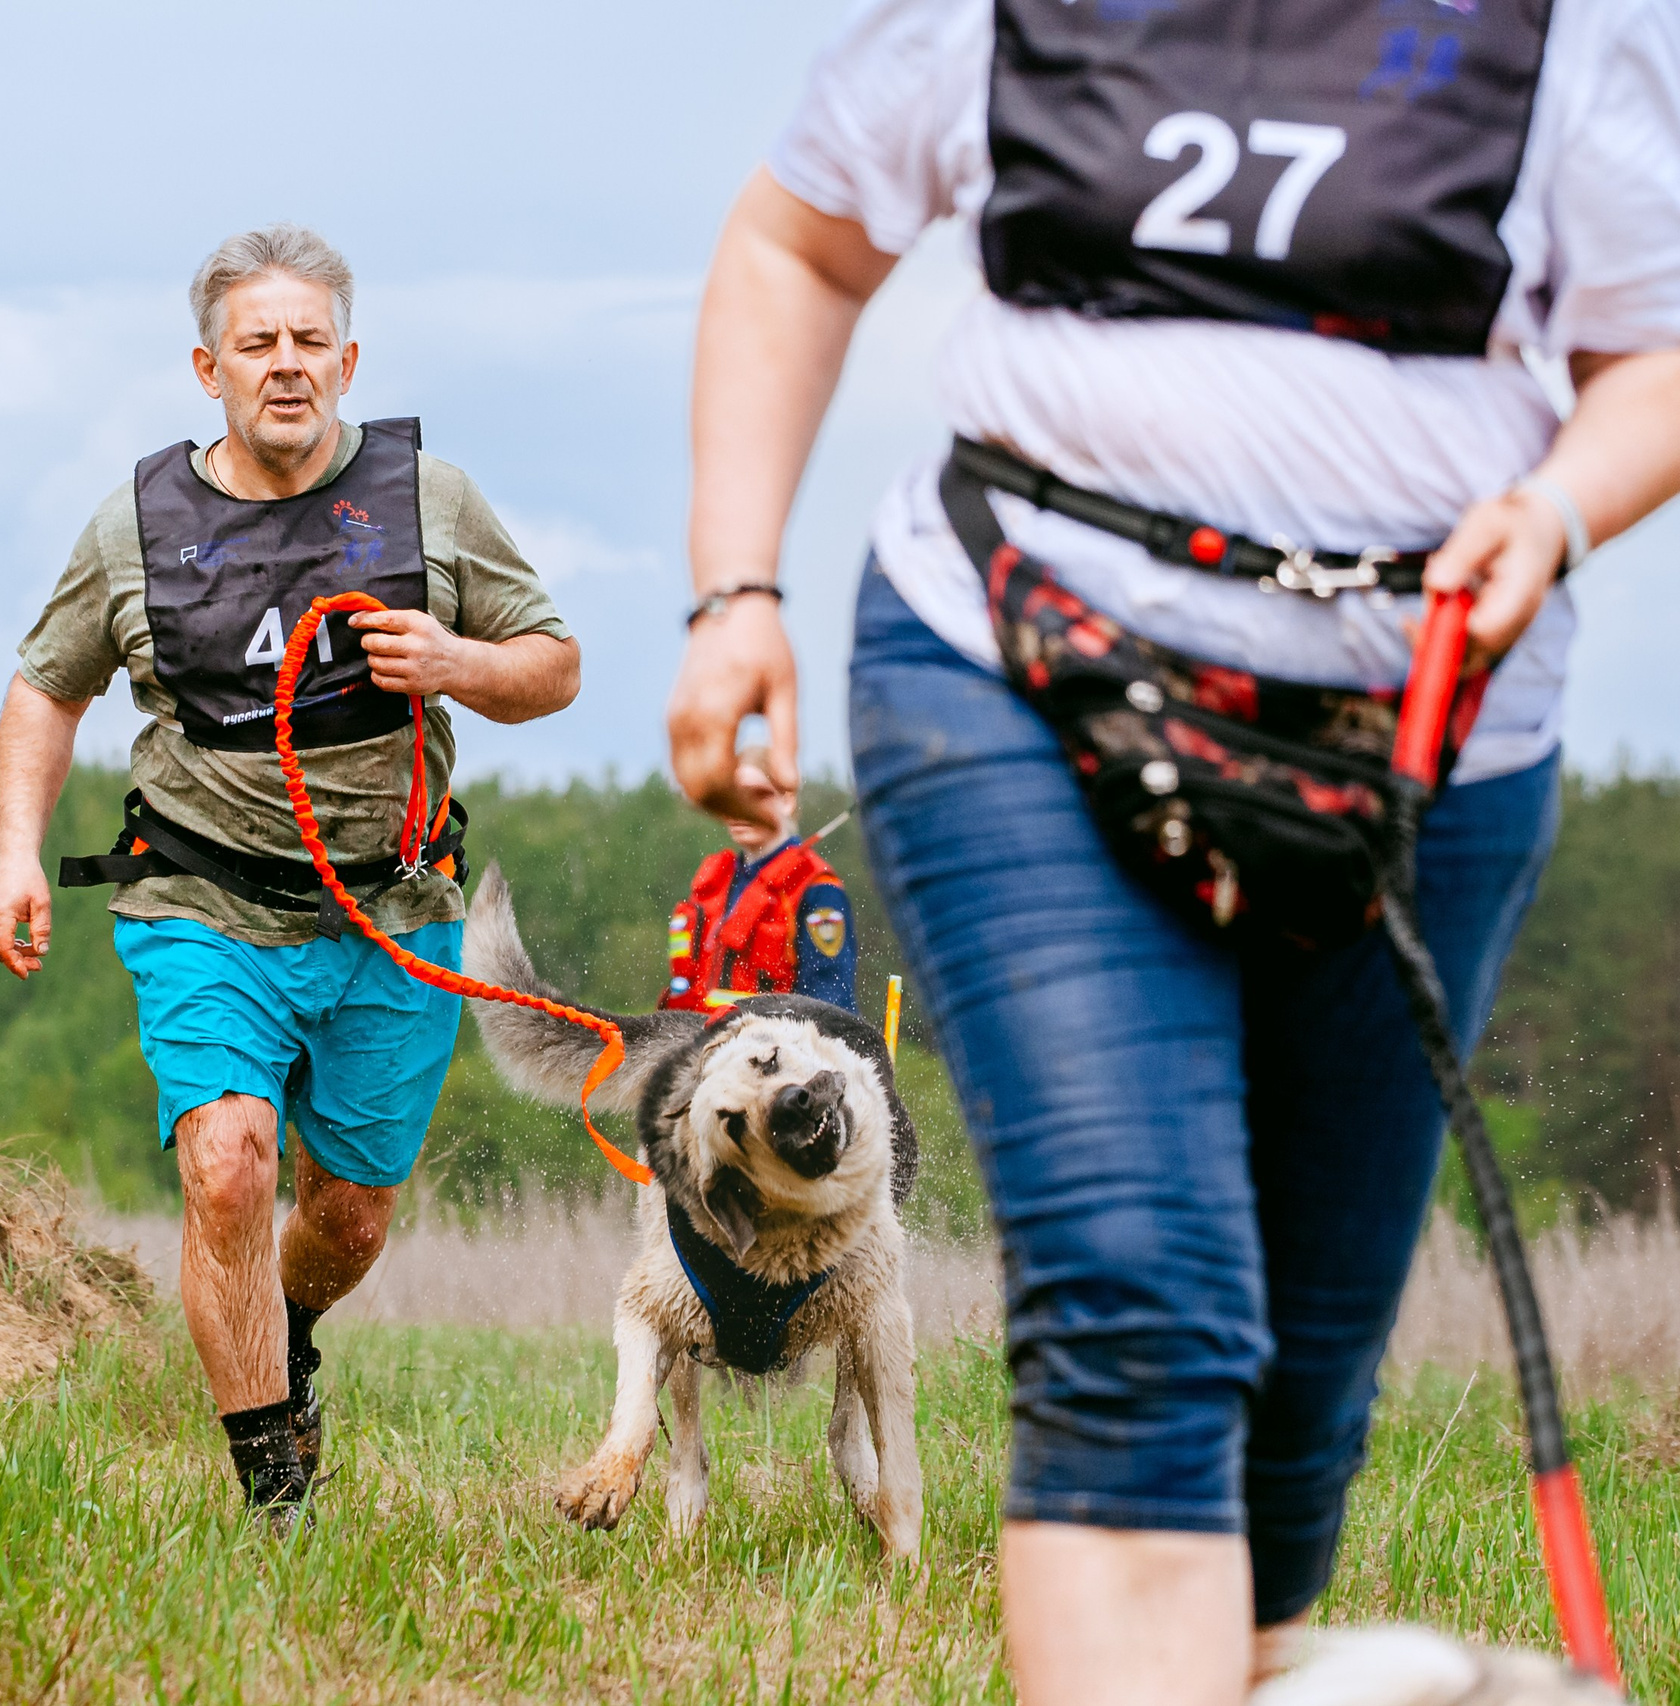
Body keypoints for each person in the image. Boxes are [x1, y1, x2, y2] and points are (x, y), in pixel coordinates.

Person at [664, 1, 1680, 1701]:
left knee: (1300, 1361)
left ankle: (1245, 1654)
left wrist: (1562, 504)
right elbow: (797, 243)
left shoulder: (1559, 36)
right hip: (1016, 673)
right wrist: (732, 591)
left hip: (1418, 741)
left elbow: (1652, 349)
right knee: (1143, 1296)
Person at [0, 224, 580, 1523]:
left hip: (392, 909)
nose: (288, 364)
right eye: (260, 343)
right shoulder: (135, 525)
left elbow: (554, 663)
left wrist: (457, 664)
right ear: (210, 367)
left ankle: (288, 1332)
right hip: (202, 897)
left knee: (349, 1217)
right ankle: (274, 1493)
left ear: (348, 357)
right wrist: (16, 852)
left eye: (311, 340)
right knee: (229, 1163)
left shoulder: (432, 502)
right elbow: (45, 686)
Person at [660, 744, 858, 1013]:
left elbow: (830, 1004)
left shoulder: (817, 888)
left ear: (787, 800)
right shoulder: (715, 881)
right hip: (697, 1043)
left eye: (757, 794)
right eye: (732, 797)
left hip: (772, 1050)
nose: (740, 808)